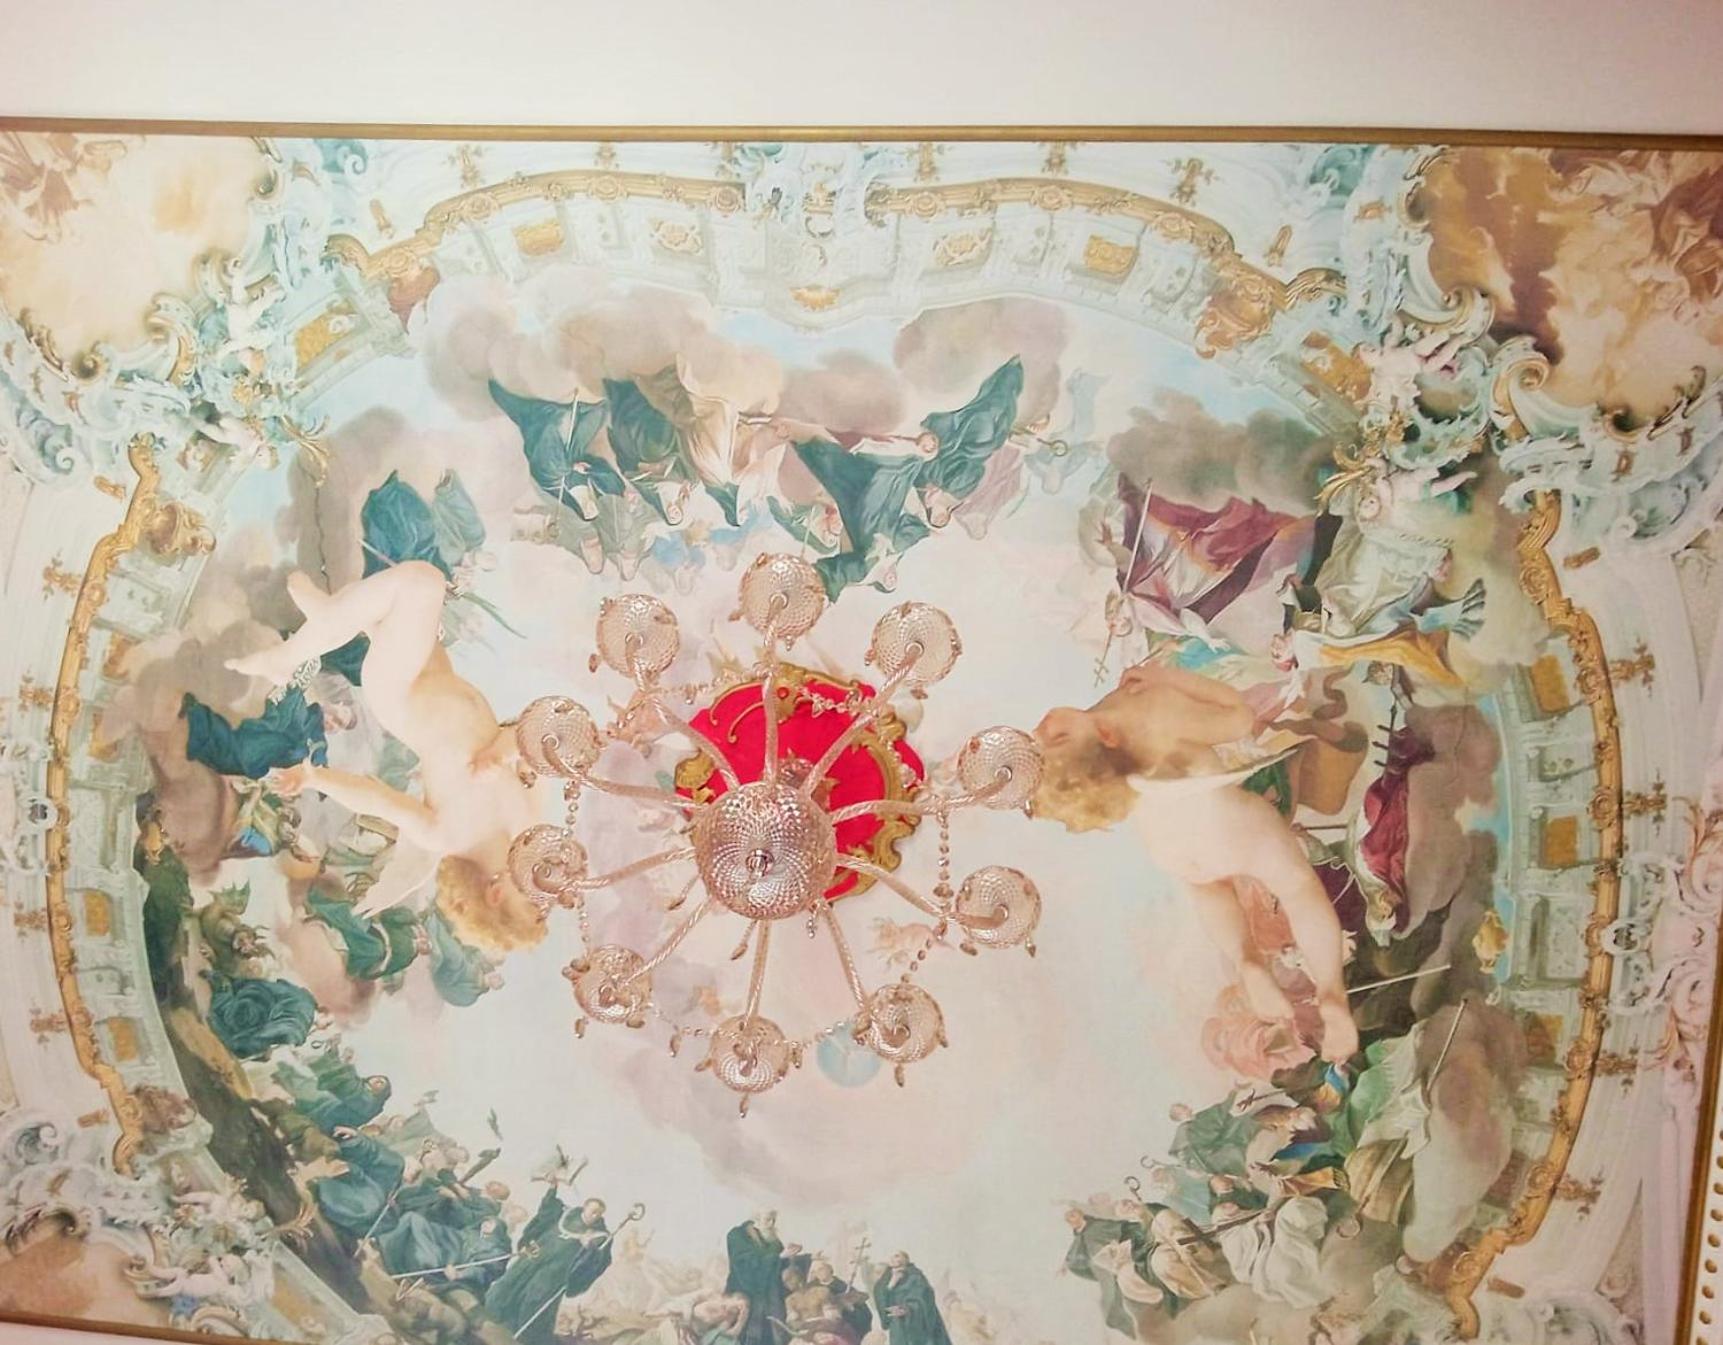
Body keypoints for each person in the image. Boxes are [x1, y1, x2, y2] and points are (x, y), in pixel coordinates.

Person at [1033, 661, 1359, 1063]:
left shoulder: (1097, 747)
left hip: (1173, 852)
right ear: (1106, 735)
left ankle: (1247, 961)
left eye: (1040, 739)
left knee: (1209, 888)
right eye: (1057, 737)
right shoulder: (1153, 711)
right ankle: (1332, 993)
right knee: (1297, 888)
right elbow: (1239, 720)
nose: (1043, 728)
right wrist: (1171, 678)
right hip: (1229, 831)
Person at [226, 561, 543, 955]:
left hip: (401, 693)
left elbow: (377, 801)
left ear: (496, 895)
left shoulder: (446, 836)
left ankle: (287, 656)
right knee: (385, 610)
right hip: (439, 674)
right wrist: (502, 750)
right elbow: (533, 739)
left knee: (422, 585)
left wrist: (314, 778)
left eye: (534, 906)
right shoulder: (529, 822)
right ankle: (326, 616)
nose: (545, 894)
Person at [484, 1187, 613, 1345]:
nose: (595, 1216)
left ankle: (523, 1337)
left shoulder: (599, 1236)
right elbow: (545, 1216)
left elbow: (596, 1263)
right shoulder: (564, 1214)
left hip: (554, 1273)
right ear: (585, 1207)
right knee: (509, 1284)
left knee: (534, 1299)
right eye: (593, 1211)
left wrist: (590, 1248)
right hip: (534, 1258)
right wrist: (552, 1188)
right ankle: (490, 1319)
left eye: (598, 1214)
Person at [726, 1211, 801, 1345]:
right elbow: (746, 1264)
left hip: (770, 1298)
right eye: (768, 1219)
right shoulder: (738, 1235)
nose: (771, 1224)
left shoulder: (773, 1241)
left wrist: (802, 1257)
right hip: (747, 1294)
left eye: (773, 1220)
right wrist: (778, 1257)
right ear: (756, 1220)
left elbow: (781, 1266)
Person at [872, 1252, 950, 1345]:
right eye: (891, 1257)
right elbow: (881, 1299)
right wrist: (891, 1285)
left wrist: (907, 1309)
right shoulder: (886, 1279)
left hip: (917, 1325)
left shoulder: (915, 1276)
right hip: (897, 1325)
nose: (893, 1259)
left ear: (906, 1259)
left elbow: (925, 1298)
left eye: (897, 1256)